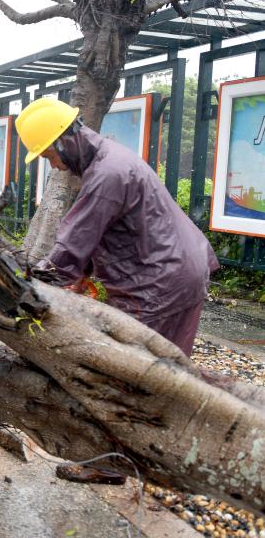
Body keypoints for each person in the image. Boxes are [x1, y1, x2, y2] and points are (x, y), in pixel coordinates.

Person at [18, 97, 219, 356]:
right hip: (180, 272)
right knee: (172, 367)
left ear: (64, 142)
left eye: (49, 156)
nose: (55, 166)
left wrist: (31, 287)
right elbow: (102, 230)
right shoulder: (111, 160)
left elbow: (75, 241)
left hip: (158, 283)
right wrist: (81, 274)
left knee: (136, 369)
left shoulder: (107, 174)